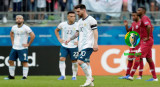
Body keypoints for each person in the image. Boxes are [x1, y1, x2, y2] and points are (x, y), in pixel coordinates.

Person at [65, 4, 98, 86]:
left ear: (84, 10)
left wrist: (95, 43)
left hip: (88, 45)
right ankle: (91, 83)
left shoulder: (91, 20)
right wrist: (69, 39)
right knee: (86, 63)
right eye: (76, 11)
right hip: (81, 46)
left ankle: (89, 79)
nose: (77, 13)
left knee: (79, 61)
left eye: (78, 11)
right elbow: (77, 33)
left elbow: (95, 32)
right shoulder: (79, 22)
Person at [127, 7, 158, 81]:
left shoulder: (144, 18)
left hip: (146, 41)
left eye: (139, 10)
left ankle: (131, 75)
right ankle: (155, 78)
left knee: (138, 55)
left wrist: (148, 37)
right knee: (149, 59)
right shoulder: (142, 19)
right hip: (146, 41)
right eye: (137, 10)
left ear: (143, 11)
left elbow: (149, 26)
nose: (137, 11)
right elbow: (151, 27)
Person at [4, 15, 35, 80]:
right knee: (10, 61)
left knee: (24, 62)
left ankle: (24, 77)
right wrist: (12, 42)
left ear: (23, 20)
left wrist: (28, 44)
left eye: (20, 18)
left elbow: (33, 35)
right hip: (15, 47)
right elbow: (11, 33)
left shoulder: (26, 27)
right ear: (15, 20)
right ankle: (11, 76)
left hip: (23, 48)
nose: (18, 19)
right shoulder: (14, 27)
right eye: (17, 18)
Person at [119, 12, 144, 80]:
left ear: (137, 16)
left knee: (139, 59)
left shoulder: (141, 23)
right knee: (130, 59)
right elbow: (129, 32)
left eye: (134, 16)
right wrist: (126, 26)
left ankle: (140, 75)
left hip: (139, 44)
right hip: (133, 44)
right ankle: (127, 75)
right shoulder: (133, 23)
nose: (132, 17)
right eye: (132, 16)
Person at [55, 11, 79, 80]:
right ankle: (63, 75)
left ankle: (74, 76)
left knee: (74, 61)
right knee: (61, 58)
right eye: (71, 16)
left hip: (74, 46)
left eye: (74, 16)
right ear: (68, 17)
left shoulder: (78, 25)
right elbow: (56, 30)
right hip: (64, 45)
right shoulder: (62, 24)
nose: (73, 18)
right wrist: (59, 38)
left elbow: (83, 33)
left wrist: (79, 41)